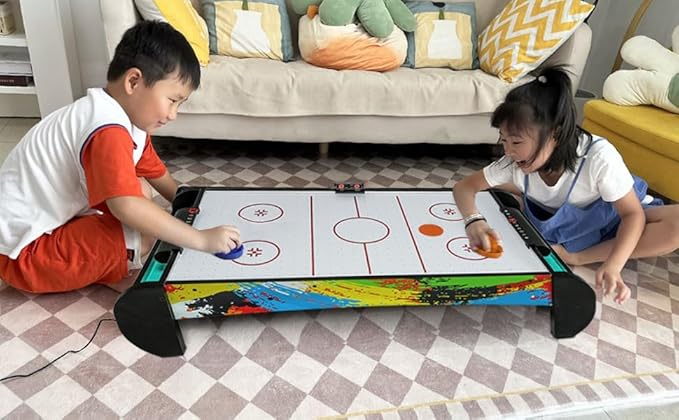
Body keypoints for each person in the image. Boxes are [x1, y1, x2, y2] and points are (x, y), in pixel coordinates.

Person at [0, 21, 240, 294]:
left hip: (41, 230)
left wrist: (194, 206)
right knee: (145, 231)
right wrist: (200, 239)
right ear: (133, 81)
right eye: (172, 100)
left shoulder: (120, 116)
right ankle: (109, 266)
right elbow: (126, 207)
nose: (173, 114)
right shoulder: (107, 128)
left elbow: (156, 172)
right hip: (25, 254)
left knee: (140, 190)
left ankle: (108, 260)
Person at [453, 66, 679, 305]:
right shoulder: (514, 161)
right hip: (570, 222)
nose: (508, 151)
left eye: (516, 142)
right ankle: (527, 199)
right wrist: (473, 220)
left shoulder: (599, 156)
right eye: (503, 140)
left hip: (612, 215)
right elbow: (464, 187)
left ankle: (577, 256)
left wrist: (614, 265)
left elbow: (632, 215)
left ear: (556, 134)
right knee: (510, 187)